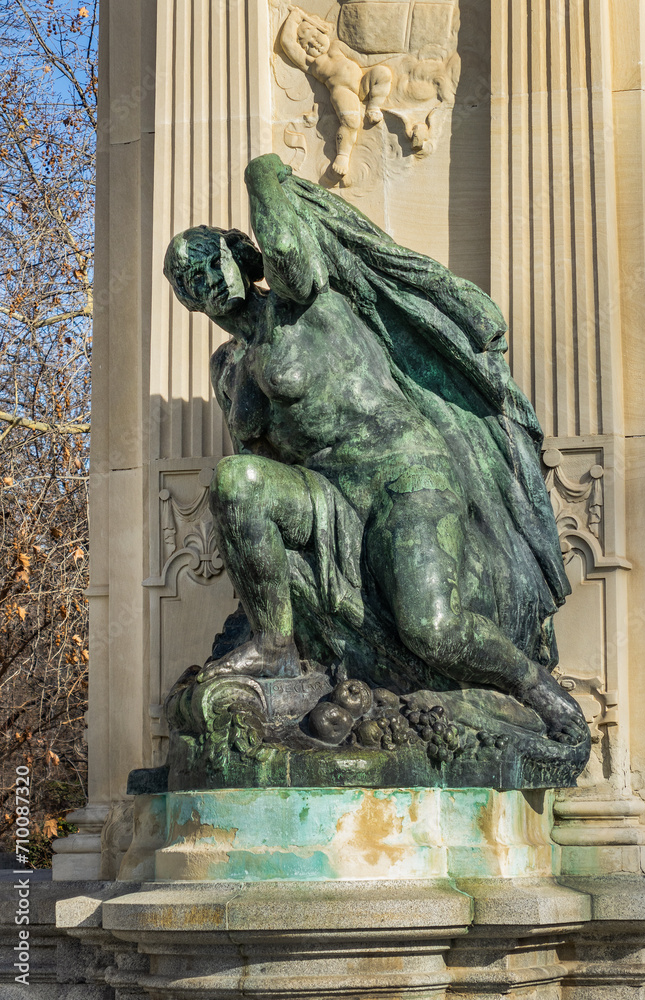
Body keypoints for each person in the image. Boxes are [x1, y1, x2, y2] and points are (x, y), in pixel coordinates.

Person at [163, 153, 587, 746]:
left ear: (239, 256)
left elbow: (286, 247)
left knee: (432, 627)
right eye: (186, 280)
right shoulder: (228, 367)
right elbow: (262, 467)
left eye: (208, 261)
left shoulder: (305, 303)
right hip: (329, 497)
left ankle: (535, 685)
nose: (201, 281)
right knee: (238, 480)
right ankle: (274, 645)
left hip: (403, 478)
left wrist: (260, 176)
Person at [279, 6, 392, 175]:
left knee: (383, 73)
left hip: (361, 82)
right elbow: (287, 43)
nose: (314, 43)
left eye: (316, 36)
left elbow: (363, 58)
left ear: (323, 33)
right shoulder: (311, 64)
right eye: (307, 45)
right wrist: (294, 17)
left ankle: (373, 107)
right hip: (342, 91)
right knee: (350, 121)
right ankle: (343, 155)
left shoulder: (337, 46)